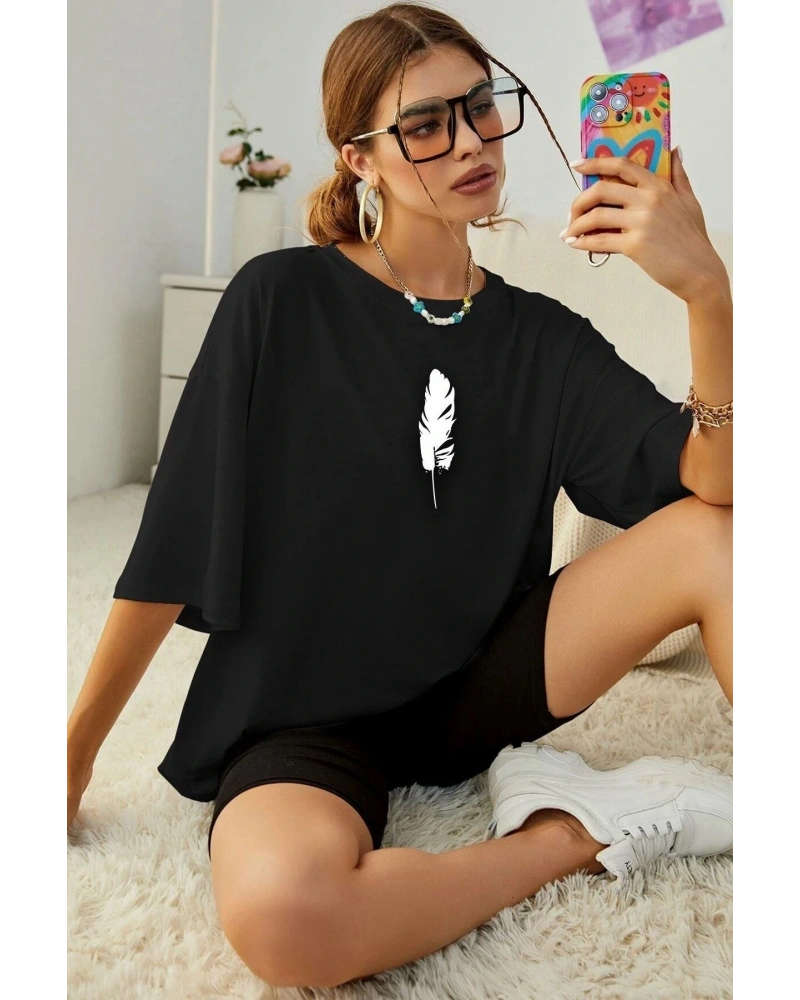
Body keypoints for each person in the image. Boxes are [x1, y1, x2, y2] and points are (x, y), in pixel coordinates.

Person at [65, 2, 735, 990]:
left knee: (721, 539)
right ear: (359, 159)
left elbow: (715, 483)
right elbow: (173, 543)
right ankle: (571, 831)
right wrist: (72, 754)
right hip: (303, 718)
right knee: (286, 919)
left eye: (480, 106)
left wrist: (707, 295)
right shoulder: (278, 301)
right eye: (425, 124)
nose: (469, 141)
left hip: (484, 679)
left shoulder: (541, 339)